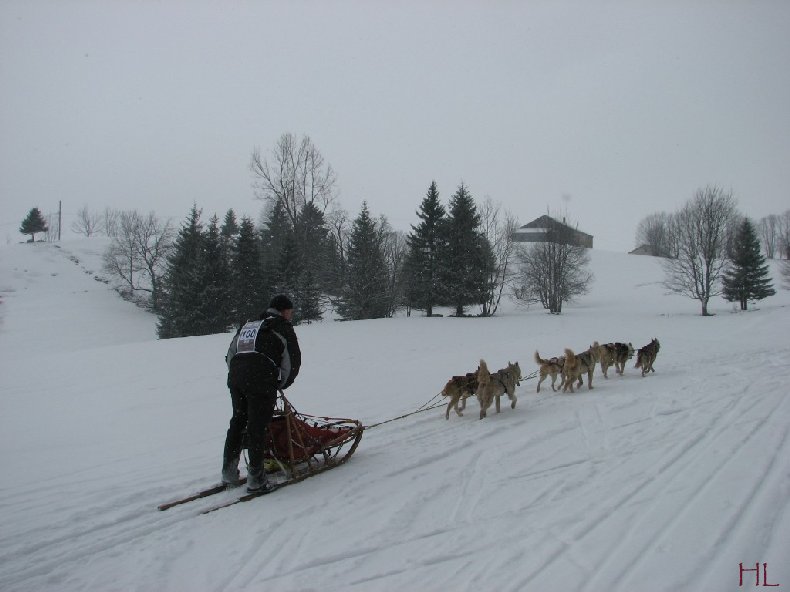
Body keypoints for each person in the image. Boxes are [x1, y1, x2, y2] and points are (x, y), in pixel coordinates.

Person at [222, 294, 302, 493]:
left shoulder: (249, 325)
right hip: (261, 379)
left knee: (238, 421)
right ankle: (256, 480)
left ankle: (229, 473)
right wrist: (280, 383)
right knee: (257, 426)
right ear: (284, 311)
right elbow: (291, 363)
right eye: (290, 312)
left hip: (237, 378)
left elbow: (231, 353)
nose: (291, 316)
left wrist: (239, 374)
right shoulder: (283, 328)